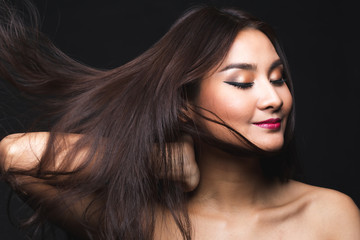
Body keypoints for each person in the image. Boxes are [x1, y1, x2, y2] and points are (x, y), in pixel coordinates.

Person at [0, 1, 359, 239]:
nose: (274, 98)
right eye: (242, 82)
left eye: (278, 78)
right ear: (184, 103)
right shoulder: (143, 222)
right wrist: (162, 161)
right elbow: (14, 156)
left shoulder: (330, 216)